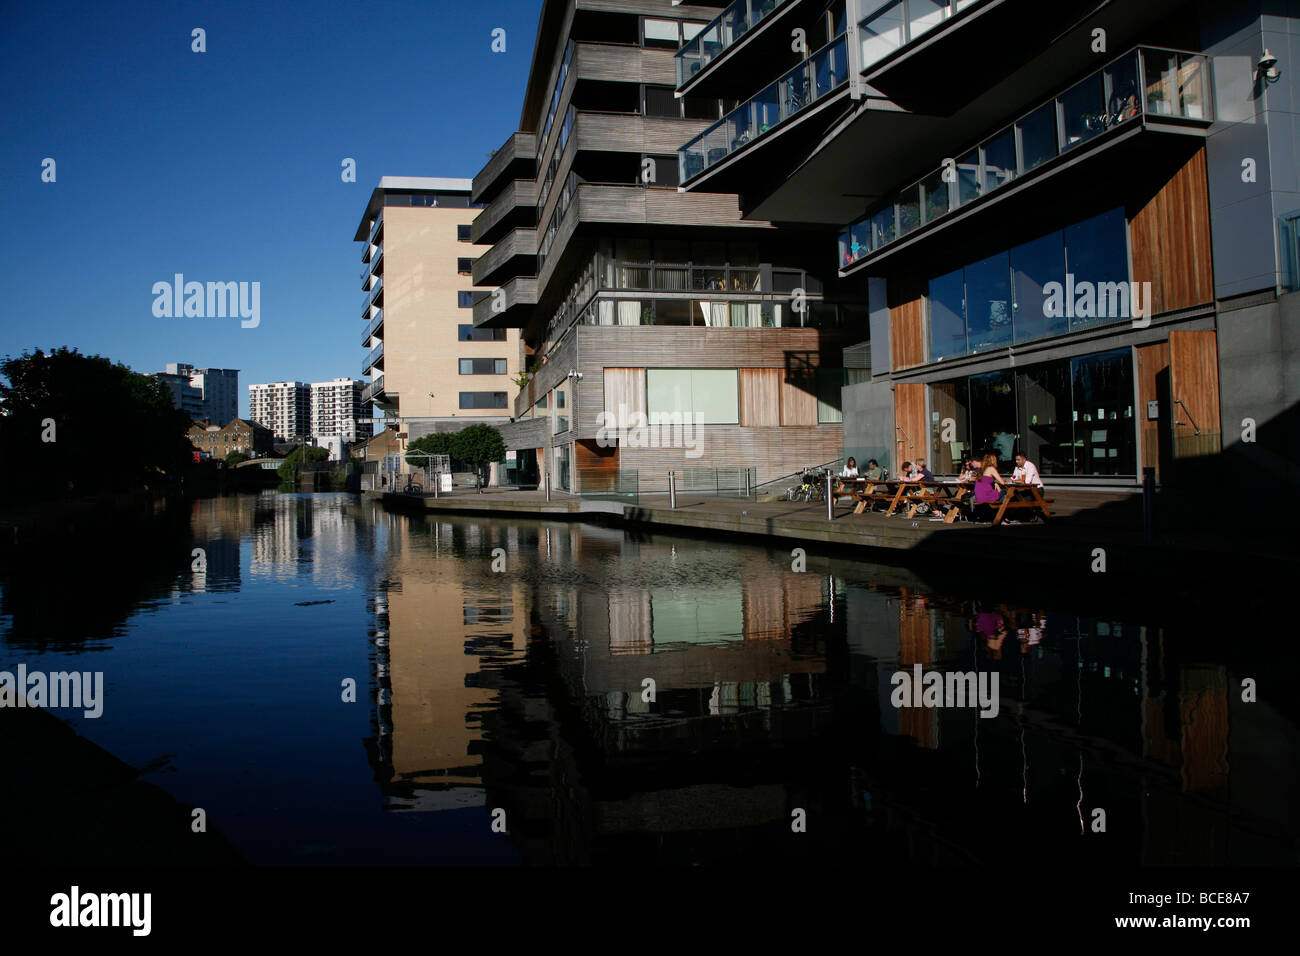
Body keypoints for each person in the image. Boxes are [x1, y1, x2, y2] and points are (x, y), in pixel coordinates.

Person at [971, 453, 1005, 522]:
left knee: (1000, 492)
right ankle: (1002, 517)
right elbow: (1002, 482)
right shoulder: (991, 468)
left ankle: (998, 516)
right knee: (1005, 494)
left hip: (979, 495)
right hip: (986, 495)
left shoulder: (982, 469)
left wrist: (995, 482)